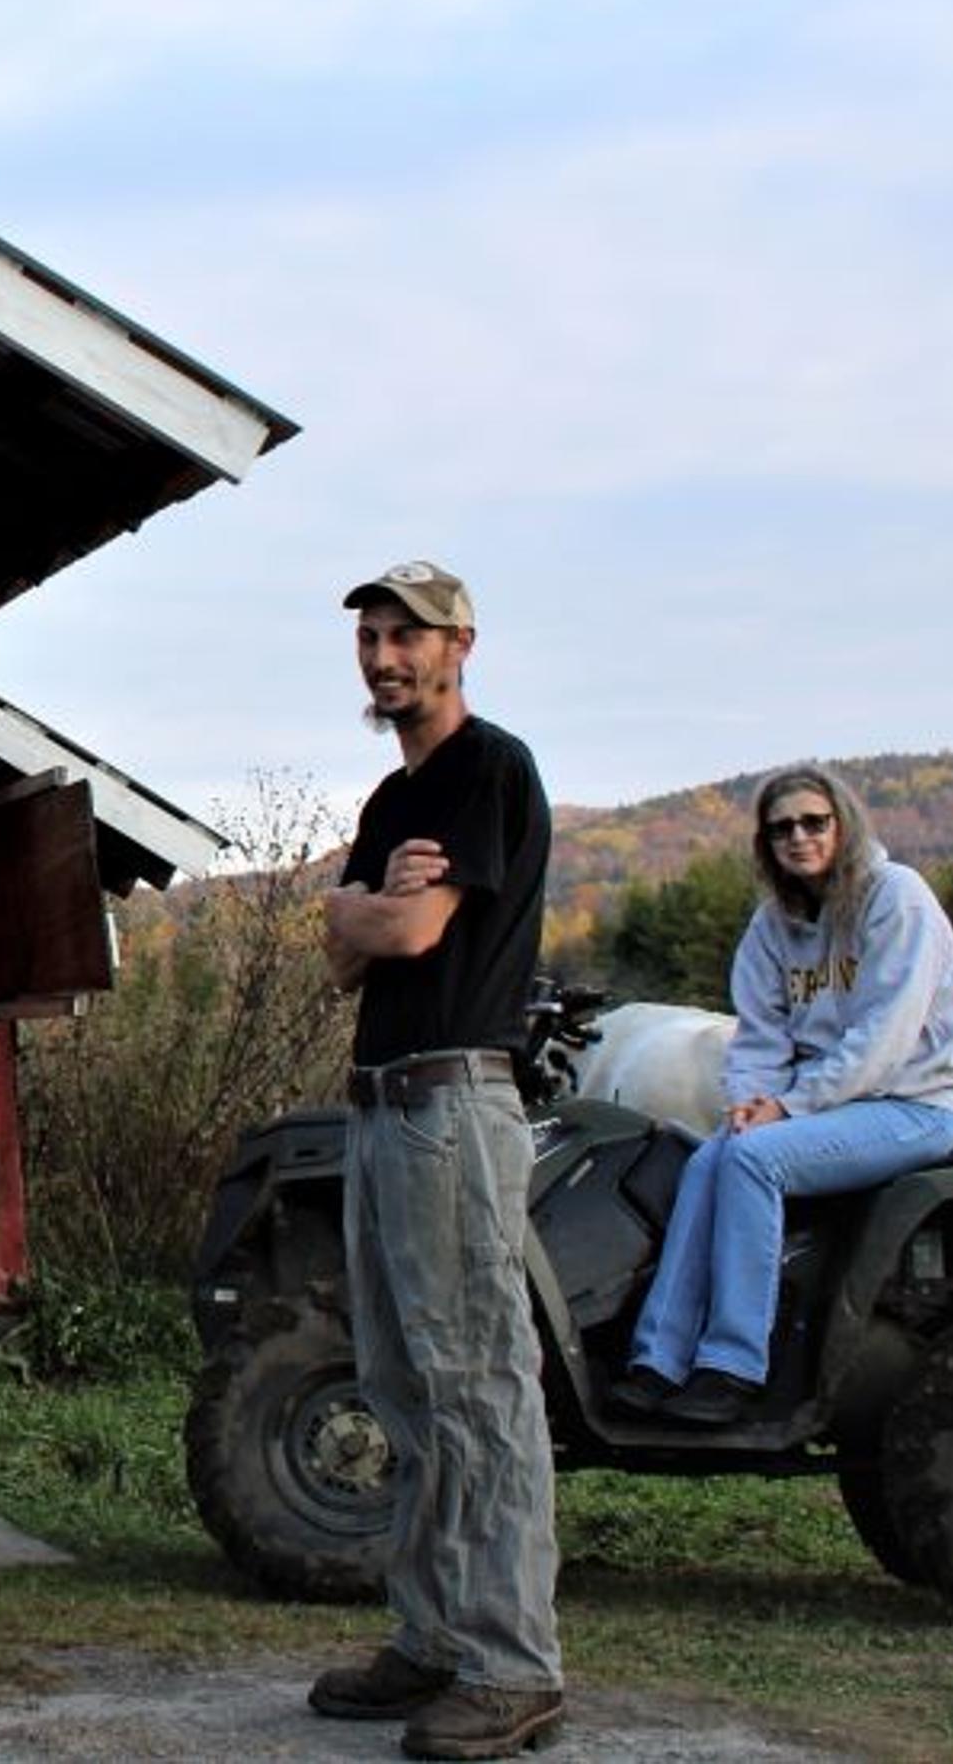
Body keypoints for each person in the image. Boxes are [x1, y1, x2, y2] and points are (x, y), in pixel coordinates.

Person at [309, 561, 566, 1760]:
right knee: (403, 1382)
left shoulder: (487, 768)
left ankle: (512, 1663)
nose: (382, 655)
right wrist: (356, 909)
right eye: (369, 635)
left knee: (479, 1384)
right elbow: (343, 954)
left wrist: (369, 908)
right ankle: (427, 1636)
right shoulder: (387, 798)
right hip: (379, 1107)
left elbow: (403, 929)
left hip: (453, 1103)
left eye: (405, 634)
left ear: (462, 642)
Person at [615, 768, 953, 1425]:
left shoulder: (897, 899)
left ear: (843, 824)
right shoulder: (773, 924)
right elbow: (759, 1036)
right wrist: (751, 1104)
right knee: (711, 1157)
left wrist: (791, 1107)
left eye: (814, 822)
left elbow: (884, 1037)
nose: (799, 837)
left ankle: (733, 1365)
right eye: (782, 827)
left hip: (913, 1105)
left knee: (754, 1161)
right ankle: (657, 1359)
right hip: (825, 1105)